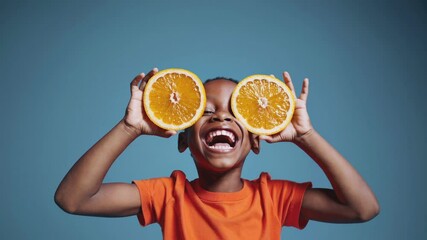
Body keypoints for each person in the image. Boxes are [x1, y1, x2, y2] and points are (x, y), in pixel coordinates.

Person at [55, 68, 380, 239]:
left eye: (234, 113)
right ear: (184, 141)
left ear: (256, 141)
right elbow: (74, 199)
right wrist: (129, 128)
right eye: (206, 112)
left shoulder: (275, 198)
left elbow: (361, 209)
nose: (221, 117)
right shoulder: (169, 195)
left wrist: (306, 136)